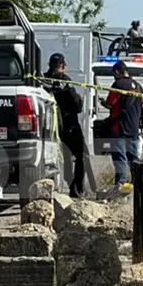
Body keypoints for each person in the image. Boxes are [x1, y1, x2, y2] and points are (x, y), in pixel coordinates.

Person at [44, 52, 87, 197]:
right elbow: (77, 105)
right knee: (82, 156)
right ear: (63, 66)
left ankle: (67, 183)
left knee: (61, 157)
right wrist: (80, 99)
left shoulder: (42, 80)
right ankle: (76, 187)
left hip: (50, 127)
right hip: (69, 125)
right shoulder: (65, 80)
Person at [100, 61, 143, 190]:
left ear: (117, 72)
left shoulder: (118, 85)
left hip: (119, 127)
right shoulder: (138, 86)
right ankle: (138, 185)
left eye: (114, 74)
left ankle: (120, 187)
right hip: (134, 128)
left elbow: (110, 104)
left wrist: (102, 102)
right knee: (133, 158)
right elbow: (142, 104)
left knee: (120, 158)